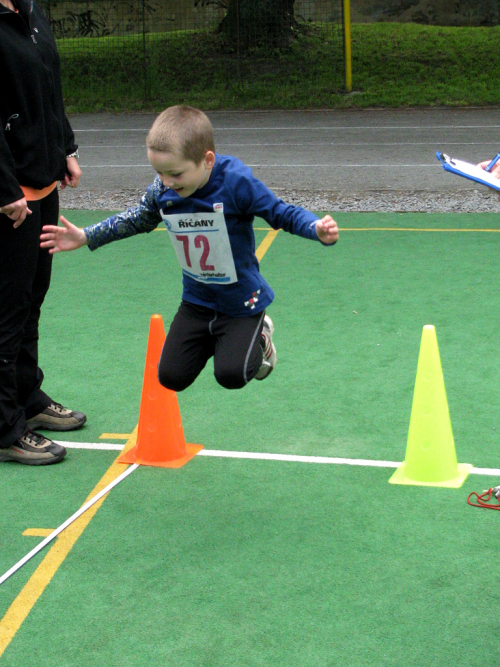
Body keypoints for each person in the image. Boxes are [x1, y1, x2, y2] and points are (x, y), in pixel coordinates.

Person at [40, 105, 339, 395]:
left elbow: (280, 212)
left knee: (231, 375)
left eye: (176, 174)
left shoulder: (236, 182)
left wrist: (315, 229)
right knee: (171, 377)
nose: (167, 183)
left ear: (207, 160)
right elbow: (137, 219)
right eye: (159, 173)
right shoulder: (163, 190)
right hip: (197, 300)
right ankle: (221, 340)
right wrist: (87, 236)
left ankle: (258, 336)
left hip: (240, 301)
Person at [0, 0, 86, 466]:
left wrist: (67, 148)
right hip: (10, 198)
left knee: (33, 297)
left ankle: (27, 397)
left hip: (42, 183)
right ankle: (4, 428)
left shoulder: (29, 12)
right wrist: (4, 187)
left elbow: (47, 88)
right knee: (6, 312)